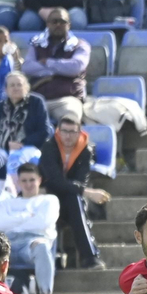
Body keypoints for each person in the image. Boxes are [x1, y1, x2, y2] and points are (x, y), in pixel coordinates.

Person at [40, 115, 108, 269]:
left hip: (70, 198)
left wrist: (80, 190)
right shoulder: (48, 147)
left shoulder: (86, 150)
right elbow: (54, 180)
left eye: (73, 132)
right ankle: (89, 257)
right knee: (74, 197)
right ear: (58, 131)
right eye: (65, 131)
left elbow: (80, 180)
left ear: (79, 132)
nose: (68, 136)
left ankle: (90, 258)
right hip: (49, 194)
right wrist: (87, 192)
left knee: (74, 199)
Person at [0, 164, 60, 294]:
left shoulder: (49, 200)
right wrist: (26, 216)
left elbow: (42, 223)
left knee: (41, 246)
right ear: (18, 182)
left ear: (39, 180)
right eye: (24, 180)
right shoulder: (7, 203)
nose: (28, 184)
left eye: (32, 180)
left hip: (32, 244)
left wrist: (12, 221)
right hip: (8, 244)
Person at [21, 8, 91, 117]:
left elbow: (76, 67)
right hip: (38, 98)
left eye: (62, 22)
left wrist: (48, 63)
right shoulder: (36, 44)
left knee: (71, 118)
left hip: (68, 99)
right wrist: (62, 69)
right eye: (54, 22)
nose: (58, 24)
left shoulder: (81, 45)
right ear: (47, 24)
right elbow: (27, 67)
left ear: (69, 25)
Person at [0, 70, 53, 159]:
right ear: (6, 90)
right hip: (3, 149)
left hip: (29, 148)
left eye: (19, 85)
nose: (16, 88)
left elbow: (44, 131)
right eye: (12, 85)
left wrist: (22, 143)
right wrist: (7, 144)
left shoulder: (36, 102)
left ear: (26, 87)